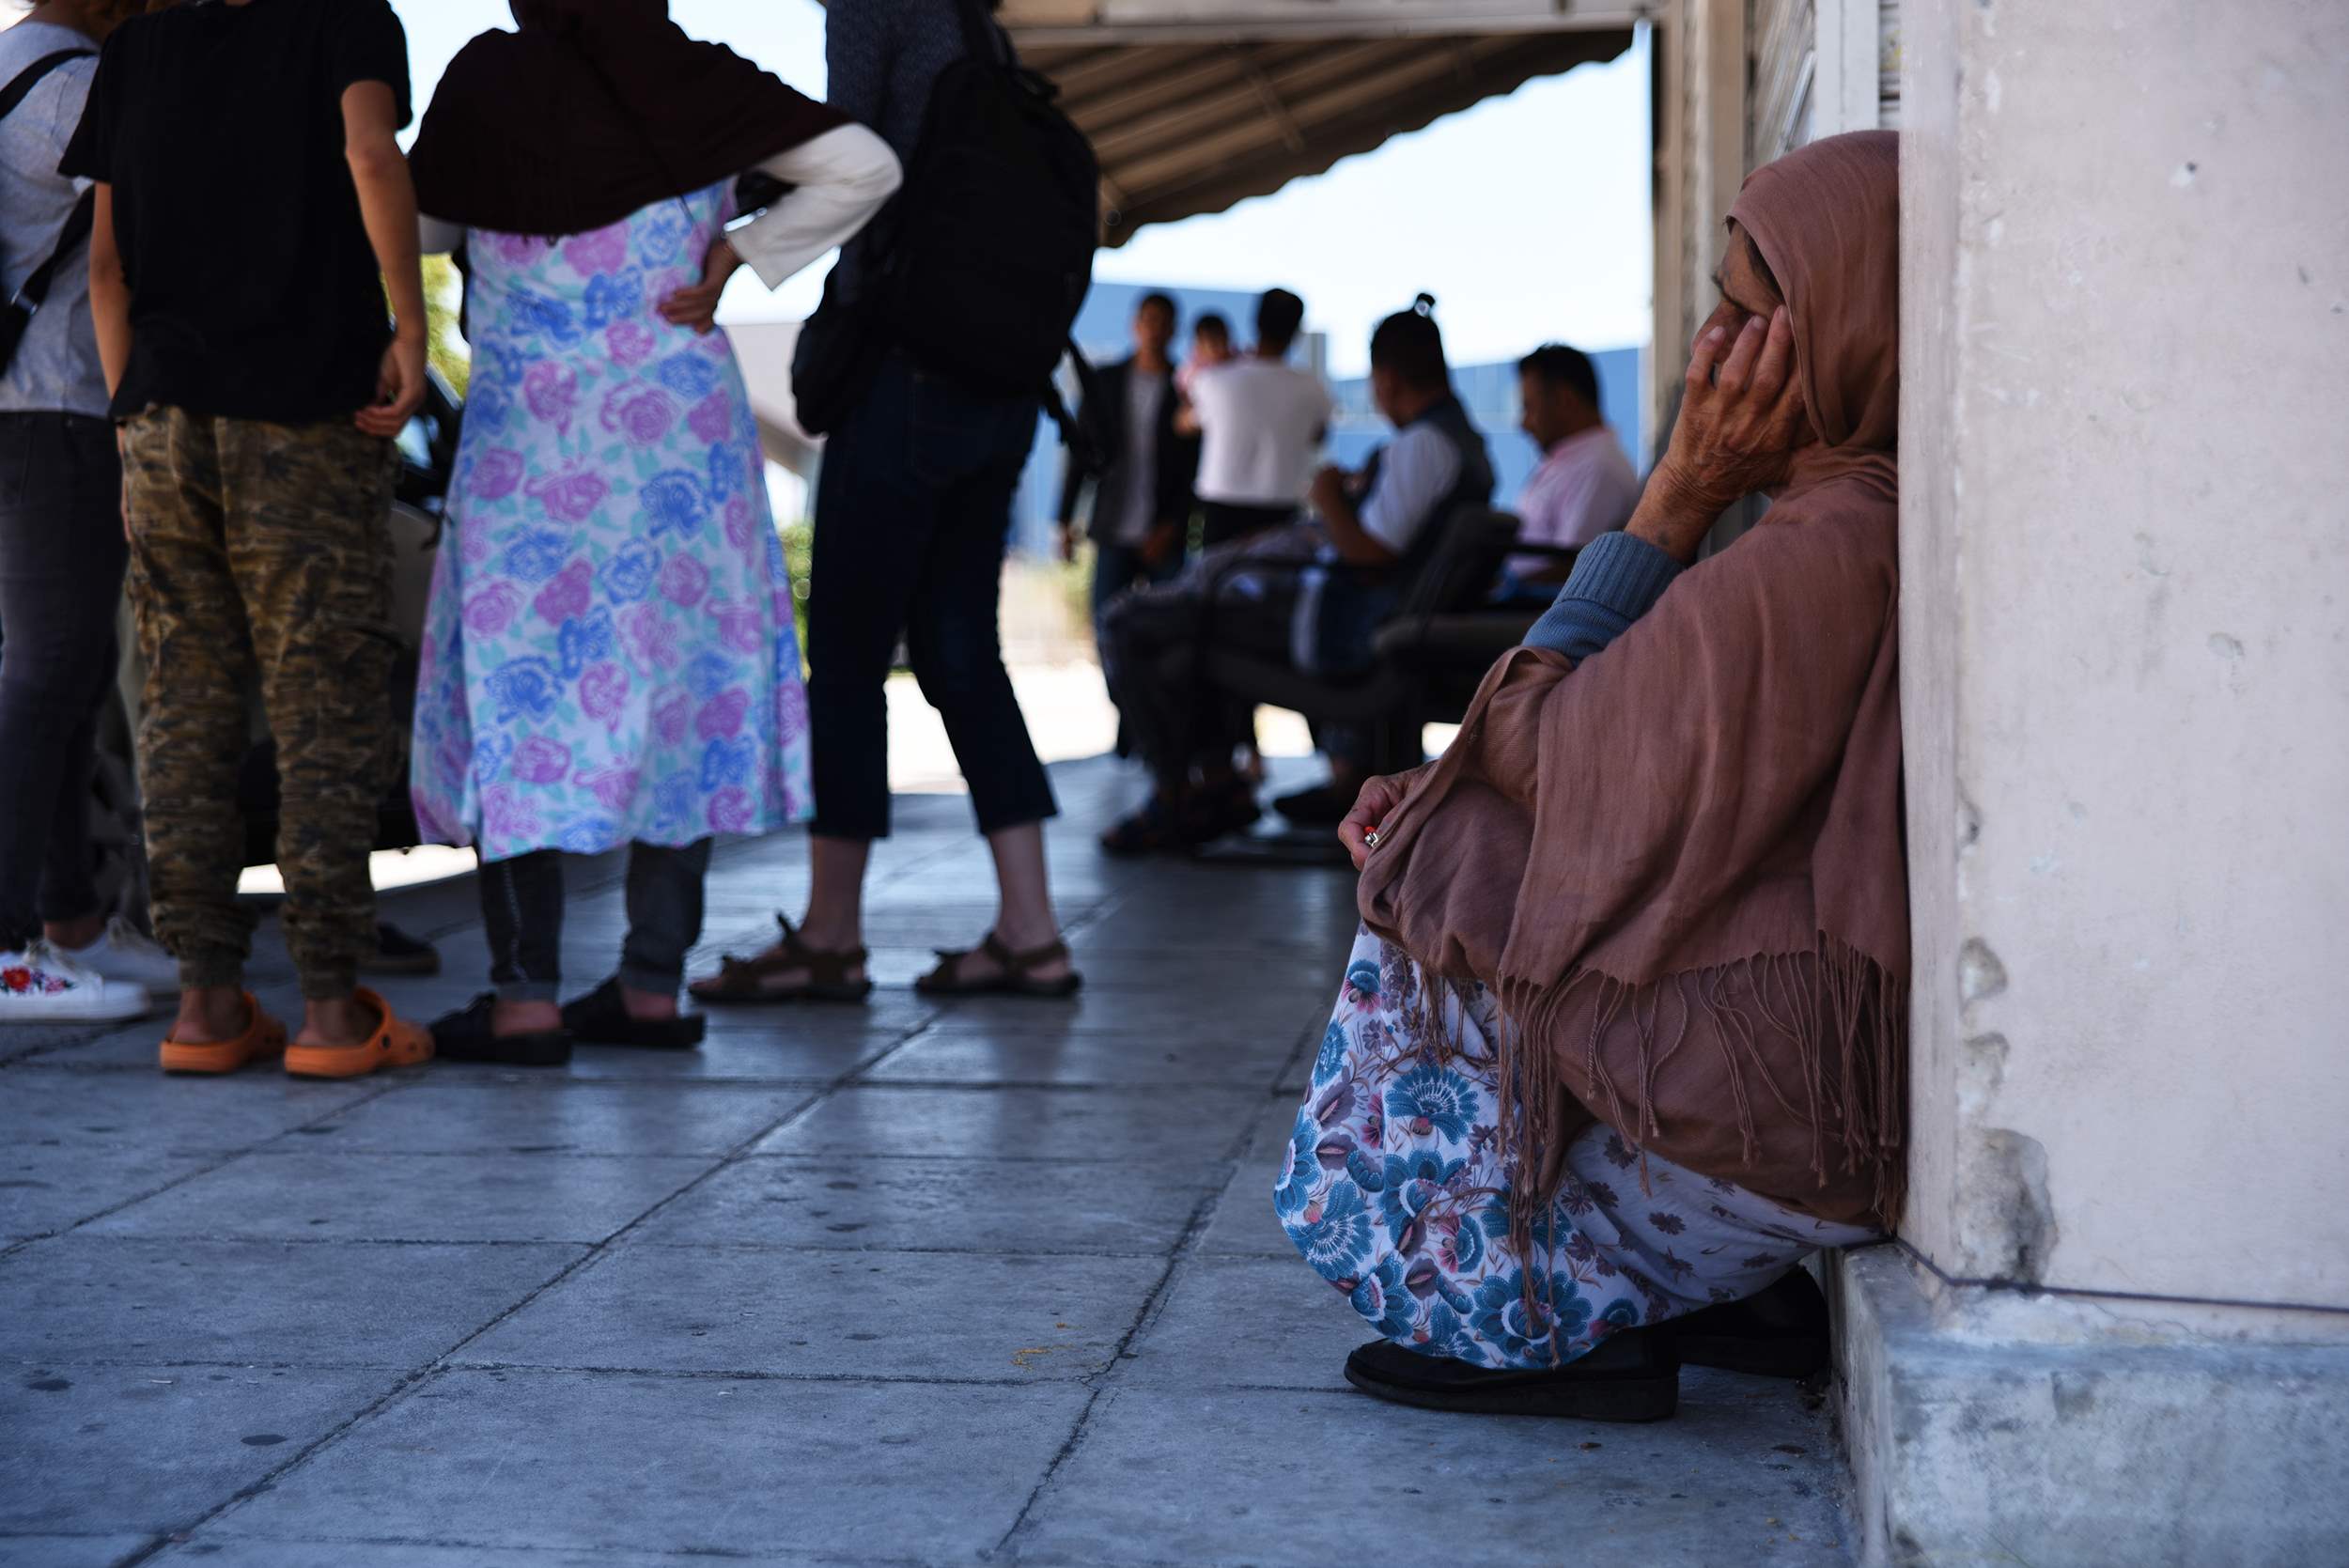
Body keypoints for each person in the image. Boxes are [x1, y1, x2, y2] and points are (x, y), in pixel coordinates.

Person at [1281, 132, 1906, 1421]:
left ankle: (1530, 1310)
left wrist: (1677, 493)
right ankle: (1699, 1283)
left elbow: (1544, 752)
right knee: (1452, 812)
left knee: (1426, 857)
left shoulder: (1832, 546)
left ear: (1839, 326)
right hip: (1792, 1094)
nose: (1708, 358)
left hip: (1783, 1120)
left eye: (1742, 316)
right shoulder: (1846, 513)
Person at [403, 0, 901, 1063]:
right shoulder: (695, 83)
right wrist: (744, 250)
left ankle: (525, 998)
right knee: (684, 700)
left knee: (517, 707)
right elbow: (863, 165)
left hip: (527, 447)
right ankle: (650, 988)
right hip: (680, 453)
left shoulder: (489, 83)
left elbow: (417, 225)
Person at [63, 0, 437, 1078]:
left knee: (184, 709)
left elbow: (105, 266)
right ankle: (327, 1014)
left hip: (165, 414)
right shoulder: (349, 24)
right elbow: (373, 155)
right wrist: (410, 328)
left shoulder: (137, 48)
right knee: (323, 705)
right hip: (306, 414)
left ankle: (206, 1007)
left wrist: (135, 418)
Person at [691, 0, 1081, 1004]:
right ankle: (1032, 930)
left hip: (905, 372)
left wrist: (709, 214)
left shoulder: (876, 3)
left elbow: (848, 154)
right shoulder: (975, 23)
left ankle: (828, 935)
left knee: (852, 657)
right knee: (960, 650)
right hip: (1000, 389)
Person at [1097, 297, 1493, 856]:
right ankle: (1211, 782)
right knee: (1181, 638)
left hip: (1341, 630)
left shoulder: (1425, 445)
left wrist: (1329, 497)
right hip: (1360, 615)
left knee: (1127, 620)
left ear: (1386, 378)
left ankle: (1177, 791)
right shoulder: (1459, 444)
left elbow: (1369, 556)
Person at [0, 0, 178, 1024]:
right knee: (49, 671)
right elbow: (150, 241)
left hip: (26, 406)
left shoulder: (17, 65)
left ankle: (65, 920)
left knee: (58, 674)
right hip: (54, 406)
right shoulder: (74, 88)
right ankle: (9, 939)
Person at [1058, 291, 1197, 753]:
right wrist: (1064, 519)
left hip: (1163, 531)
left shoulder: (1186, 387)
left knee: (1171, 636)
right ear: (1135, 325)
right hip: (1114, 527)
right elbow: (1079, 453)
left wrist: (1173, 526)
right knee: (1106, 631)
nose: (1155, 328)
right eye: (1148, 319)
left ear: (1173, 328)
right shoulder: (1107, 381)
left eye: (1164, 321)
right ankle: (1131, 718)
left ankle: (1158, 729)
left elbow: (1194, 470)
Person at [1182, 287, 1330, 549]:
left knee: (1215, 583)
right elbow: (1318, 436)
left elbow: (1185, 423)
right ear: (1296, 331)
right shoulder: (1313, 388)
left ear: (1255, 322)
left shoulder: (1213, 381)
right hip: (1282, 505)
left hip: (1221, 506)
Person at [1494, 342, 1641, 603]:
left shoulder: (1597, 468)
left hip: (1531, 610)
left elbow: (1569, 564)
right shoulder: (1572, 461)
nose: (1523, 423)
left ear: (1565, 400)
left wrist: (1499, 587)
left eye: (1530, 407)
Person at [1176, 310, 1230, 400]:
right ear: (1199, 345)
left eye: (1222, 340)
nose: (1219, 346)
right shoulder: (1191, 372)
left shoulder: (1237, 361)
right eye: (1213, 343)